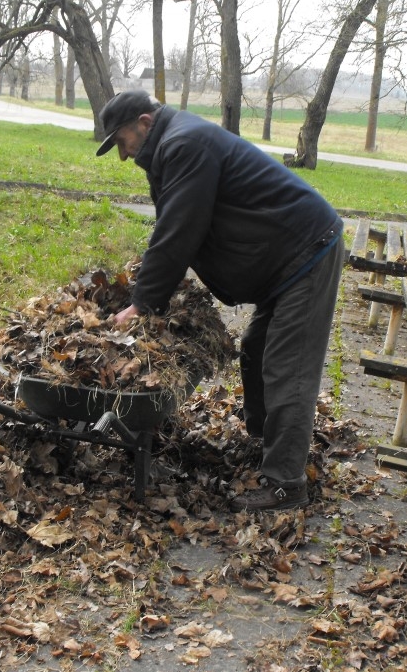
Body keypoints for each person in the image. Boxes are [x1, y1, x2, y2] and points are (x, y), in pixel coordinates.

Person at [95, 90, 344, 512]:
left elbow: (179, 228)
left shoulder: (185, 143)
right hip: (284, 259)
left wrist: (143, 303)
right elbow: (178, 223)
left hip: (305, 254)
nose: (122, 154)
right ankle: (268, 446)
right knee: (256, 350)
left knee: (287, 368)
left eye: (121, 141)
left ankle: (286, 484)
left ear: (145, 122)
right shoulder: (178, 141)